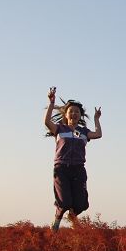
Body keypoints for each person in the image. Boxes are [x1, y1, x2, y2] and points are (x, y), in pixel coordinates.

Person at [44, 87, 102, 232]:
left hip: (78, 169)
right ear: (66, 114)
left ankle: (73, 215)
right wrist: (51, 103)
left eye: (77, 111)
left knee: (81, 203)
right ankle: (58, 218)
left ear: (80, 115)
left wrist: (96, 119)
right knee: (65, 201)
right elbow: (46, 122)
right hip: (62, 168)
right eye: (71, 111)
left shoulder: (84, 132)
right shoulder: (59, 129)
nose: (74, 113)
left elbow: (98, 134)